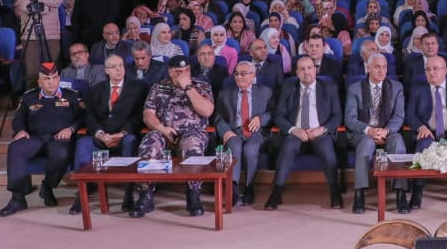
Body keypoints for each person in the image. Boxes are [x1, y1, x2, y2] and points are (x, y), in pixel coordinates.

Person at [0, 62, 85, 217]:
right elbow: (18, 119)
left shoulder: (71, 96)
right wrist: (21, 130)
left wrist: (71, 129)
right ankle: (17, 199)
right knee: (16, 148)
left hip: (60, 139)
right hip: (35, 137)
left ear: (59, 79)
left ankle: (47, 187)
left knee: (61, 154)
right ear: (39, 82)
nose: (51, 82)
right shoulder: (29, 97)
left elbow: (83, 117)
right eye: (46, 79)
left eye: (54, 77)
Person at [134, 53, 215, 218]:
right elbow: (148, 115)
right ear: (170, 72)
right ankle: (146, 194)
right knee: (149, 143)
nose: (183, 74)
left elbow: (207, 111)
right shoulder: (159, 87)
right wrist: (162, 129)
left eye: (186, 71)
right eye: (178, 71)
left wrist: (188, 88)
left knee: (192, 145)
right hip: (164, 131)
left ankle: (193, 194)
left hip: (192, 132)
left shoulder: (201, 86)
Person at [73, 54, 147, 215]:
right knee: (83, 144)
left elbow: (138, 116)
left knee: (131, 141)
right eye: (114, 67)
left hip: (124, 136)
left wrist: (122, 133)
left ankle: (128, 194)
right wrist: (100, 134)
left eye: (121, 65)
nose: (119, 69)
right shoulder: (95, 89)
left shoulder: (137, 88)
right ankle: (82, 194)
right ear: (106, 70)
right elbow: (90, 116)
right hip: (101, 136)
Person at [269, 55, 343, 211]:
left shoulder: (328, 86)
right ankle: (276, 193)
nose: (306, 72)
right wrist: (294, 130)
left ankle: (335, 193)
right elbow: (279, 116)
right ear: (297, 73)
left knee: (328, 153)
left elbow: (337, 116)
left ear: (315, 70)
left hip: (320, 133)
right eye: (302, 69)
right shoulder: (289, 87)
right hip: (296, 133)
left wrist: (321, 129)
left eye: (309, 68)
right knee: (287, 149)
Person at [403, 53, 447, 211]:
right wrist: (420, 127)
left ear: (445, 70)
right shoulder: (418, 89)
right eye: (428, 69)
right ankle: (417, 190)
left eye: (435, 69)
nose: (431, 73)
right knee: (422, 149)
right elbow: (410, 115)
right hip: (429, 132)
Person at [344, 52, 406, 214]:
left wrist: (385, 131)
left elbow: (399, 116)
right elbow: (350, 119)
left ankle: (400, 193)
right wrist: (370, 131)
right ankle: (359, 194)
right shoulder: (355, 89)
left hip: (388, 130)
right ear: (368, 68)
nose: (381, 71)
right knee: (366, 144)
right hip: (363, 132)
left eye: (384, 67)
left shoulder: (396, 87)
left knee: (398, 143)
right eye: (377, 67)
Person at [213, 60, 273, 207]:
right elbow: (218, 117)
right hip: (234, 131)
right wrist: (226, 131)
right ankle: (233, 188)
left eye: (243, 74)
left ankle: (249, 187)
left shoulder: (265, 92)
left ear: (253, 75)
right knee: (234, 146)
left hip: (257, 132)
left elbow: (272, 113)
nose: (239, 77)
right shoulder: (224, 94)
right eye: (236, 74)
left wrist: (260, 119)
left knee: (250, 150)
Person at [15, 0, 63, 87]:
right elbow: (25, 6)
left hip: (52, 34)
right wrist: (47, 6)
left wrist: (38, 1)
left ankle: (53, 96)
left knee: (52, 70)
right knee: (32, 72)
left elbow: (58, 1)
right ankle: (32, 97)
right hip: (30, 34)